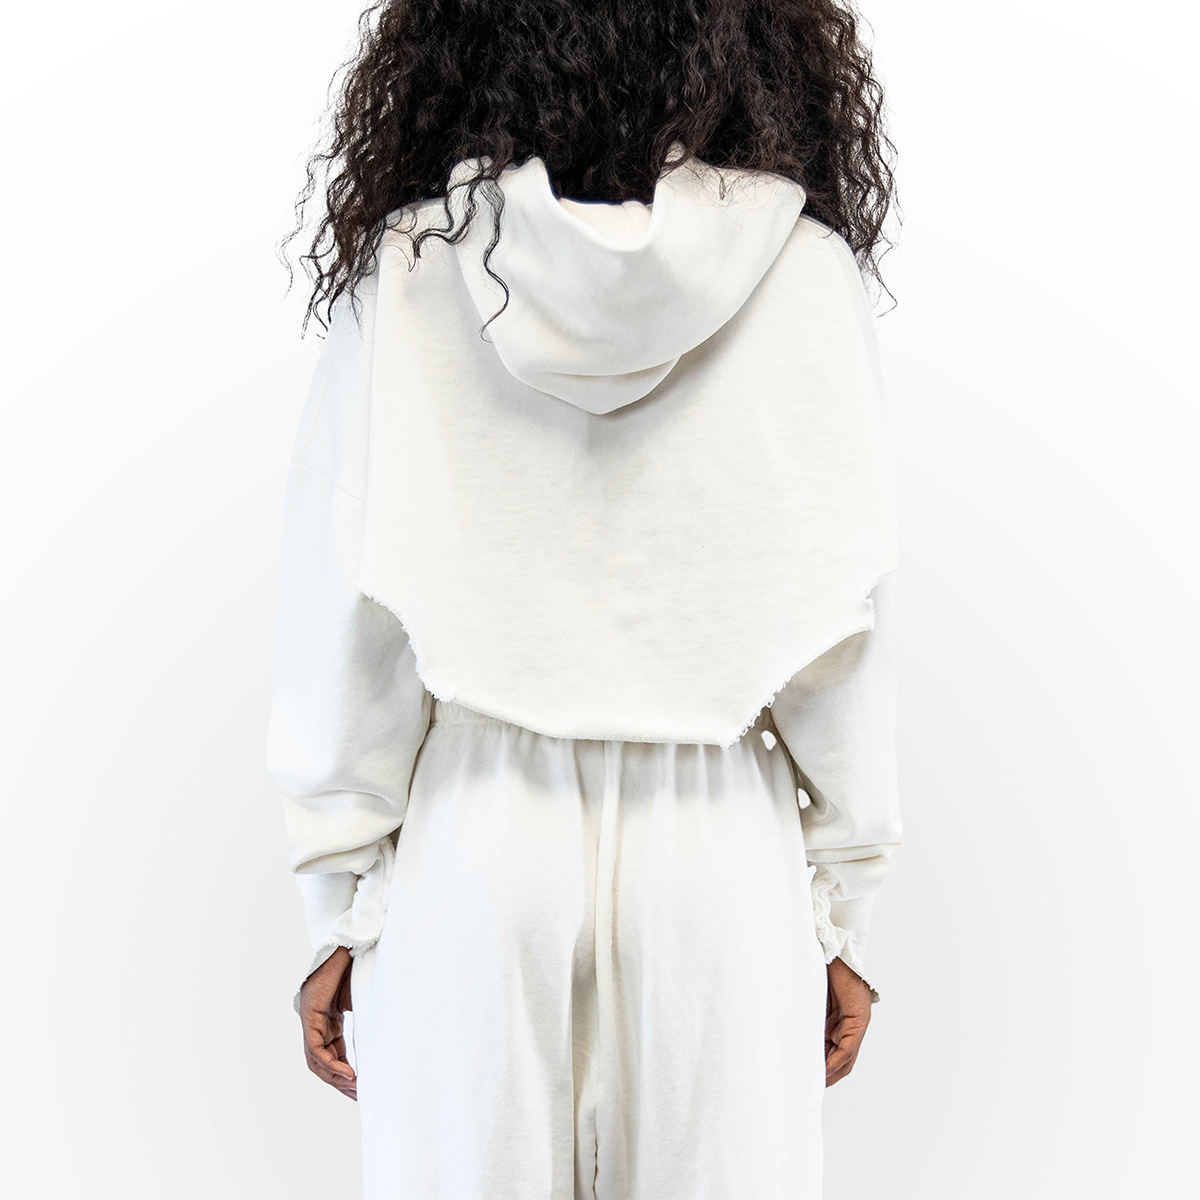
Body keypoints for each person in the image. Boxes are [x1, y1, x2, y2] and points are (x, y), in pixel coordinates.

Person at [265, 2, 902, 1197]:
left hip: (477, 843)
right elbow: (842, 622)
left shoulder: (414, 266)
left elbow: (349, 613)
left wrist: (338, 900)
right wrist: (843, 912)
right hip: (718, 853)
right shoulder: (805, 272)